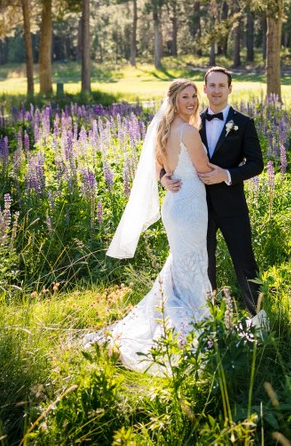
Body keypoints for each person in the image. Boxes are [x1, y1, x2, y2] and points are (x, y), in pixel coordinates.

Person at [86, 79, 213, 374]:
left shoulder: (162, 130)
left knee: (182, 262)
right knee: (193, 261)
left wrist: (165, 178)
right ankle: (195, 321)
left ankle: (181, 313)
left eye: (194, 96)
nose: (192, 101)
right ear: (174, 100)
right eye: (186, 96)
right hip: (191, 203)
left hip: (174, 203)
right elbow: (204, 169)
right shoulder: (189, 131)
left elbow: (158, 167)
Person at [161, 67, 265, 323]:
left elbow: (256, 164)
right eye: (212, 86)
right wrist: (162, 178)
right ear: (204, 89)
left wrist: (227, 175)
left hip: (232, 207)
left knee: (245, 263)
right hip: (196, 208)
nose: (216, 90)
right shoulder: (190, 122)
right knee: (203, 266)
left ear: (230, 89)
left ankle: (259, 319)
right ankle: (212, 321)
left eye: (222, 85)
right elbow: (166, 158)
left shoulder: (244, 123)